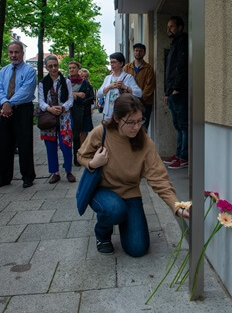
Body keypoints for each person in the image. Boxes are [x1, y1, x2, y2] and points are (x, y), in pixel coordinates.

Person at [77, 94, 189, 256]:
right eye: (130, 122)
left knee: (137, 248)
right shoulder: (101, 133)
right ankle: (102, 232)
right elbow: (81, 155)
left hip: (130, 194)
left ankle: (123, 219)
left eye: (139, 121)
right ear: (117, 118)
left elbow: (159, 178)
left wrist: (176, 206)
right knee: (115, 209)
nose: (136, 127)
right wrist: (93, 163)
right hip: (101, 191)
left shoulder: (144, 142)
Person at [0, 41, 36, 188]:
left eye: (16, 52)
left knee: (24, 143)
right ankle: (4, 177)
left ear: (22, 53)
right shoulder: (3, 71)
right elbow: (0, 88)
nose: (13, 55)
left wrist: (9, 103)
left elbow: (26, 91)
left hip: (22, 109)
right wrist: (4, 103)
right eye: (11, 52)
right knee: (4, 144)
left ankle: (27, 176)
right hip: (5, 109)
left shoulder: (29, 71)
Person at [38, 55, 76, 184]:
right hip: (49, 117)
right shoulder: (43, 83)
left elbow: (71, 98)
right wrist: (49, 109)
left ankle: (68, 171)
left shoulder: (66, 81)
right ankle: (54, 172)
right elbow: (41, 101)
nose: (53, 68)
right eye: (50, 66)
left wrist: (63, 107)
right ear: (46, 67)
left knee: (66, 144)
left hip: (64, 116)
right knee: (50, 145)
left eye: (55, 65)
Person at [163, 16, 188, 170]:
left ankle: (184, 157)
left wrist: (177, 88)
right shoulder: (174, 43)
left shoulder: (183, 41)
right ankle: (179, 154)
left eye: (172, 26)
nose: (169, 29)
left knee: (184, 125)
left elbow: (182, 66)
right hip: (172, 91)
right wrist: (167, 92)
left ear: (180, 27)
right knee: (178, 125)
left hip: (179, 91)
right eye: (168, 26)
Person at [97, 52, 142, 121]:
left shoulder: (128, 77)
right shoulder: (108, 78)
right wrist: (109, 87)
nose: (112, 64)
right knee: (108, 131)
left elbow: (139, 93)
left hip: (122, 113)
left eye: (114, 62)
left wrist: (125, 87)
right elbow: (99, 94)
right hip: (108, 114)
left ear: (121, 63)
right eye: (111, 62)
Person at [123, 43, 155, 130]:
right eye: (136, 50)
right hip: (130, 102)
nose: (138, 53)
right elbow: (123, 83)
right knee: (131, 127)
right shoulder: (127, 67)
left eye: (140, 51)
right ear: (133, 52)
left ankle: (143, 144)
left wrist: (140, 98)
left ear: (144, 53)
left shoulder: (148, 68)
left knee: (143, 127)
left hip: (145, 103)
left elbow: (150, 86)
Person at [68, 61, 88, 166]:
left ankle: (76, 158)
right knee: (66, 136)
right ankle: (67, 158)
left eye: (74, 68)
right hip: (66, 111)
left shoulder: (83, 82)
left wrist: (71, 95)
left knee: (76, 135)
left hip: (77, 111)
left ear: (78, 69)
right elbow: (62, 96)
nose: (71, 70)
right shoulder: (65, 81)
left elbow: (83, 98)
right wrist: (75, 94)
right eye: (70, 68)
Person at [79, 68, 95, 144]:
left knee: (84, 131)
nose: (84, 78)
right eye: (82, 76)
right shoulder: (76, 85)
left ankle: (83, 147)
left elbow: (92, 97)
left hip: (86, 110)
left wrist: (85, 101)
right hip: (77, 111)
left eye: (86, 77)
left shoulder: (89, 86)